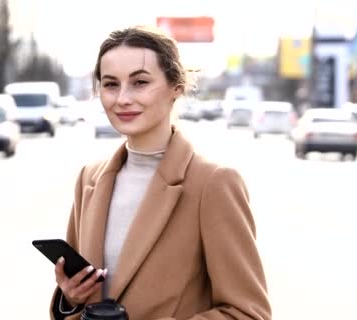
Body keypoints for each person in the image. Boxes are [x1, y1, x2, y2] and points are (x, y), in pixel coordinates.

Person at [49, 25, 271, 320]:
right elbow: (77, 302)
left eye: (140, 82)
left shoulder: (214, 183)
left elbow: (248, 312)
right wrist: (71, 300)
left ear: (175, 88)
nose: (123, 99)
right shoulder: (89, 179)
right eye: (111, 84)